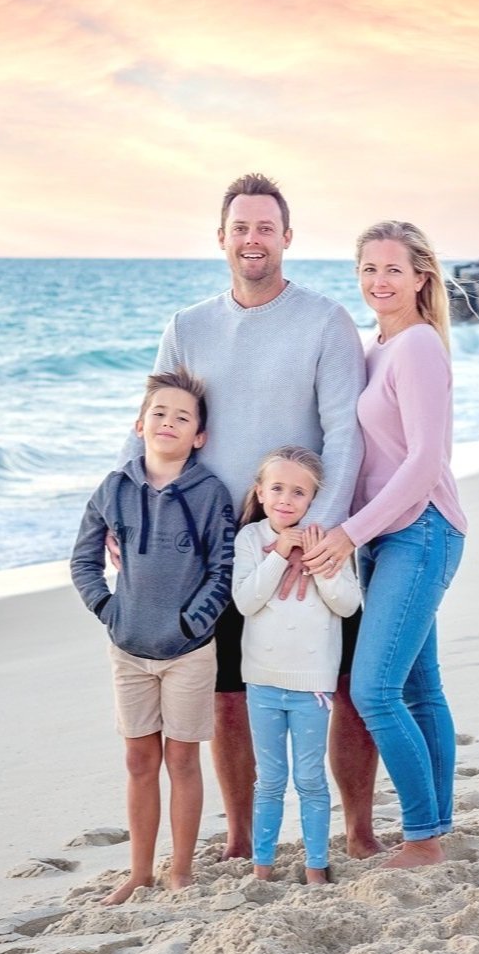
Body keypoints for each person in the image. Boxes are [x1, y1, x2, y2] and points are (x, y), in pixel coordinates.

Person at [114, 173, 380, 861]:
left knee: (342, 688)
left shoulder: (324, 321)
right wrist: (123, 506)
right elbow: (150, 423)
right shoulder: (188, 327)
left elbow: (343, 434)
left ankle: (357, 830)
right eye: (241, 227)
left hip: (310, 537)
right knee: (229, 695)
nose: (252, 239)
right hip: (212, 545)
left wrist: (312, 534)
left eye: (265, 227)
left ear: (286, 238)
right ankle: (239, 840)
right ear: (221, 238)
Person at [304, 221, 467, 870]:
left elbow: (425, 461)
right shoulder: (377, 349)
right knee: (420, 688)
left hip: (420, 531)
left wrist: (349, 533)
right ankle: (436, 829)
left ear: (420, 277)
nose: (378, 282)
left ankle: (422, 838)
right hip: (384, 536)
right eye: (367, 270)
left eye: (392, 270)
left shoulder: (420, 346)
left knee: (374, 691)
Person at [71, 367, 235, 902]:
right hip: (129, 650)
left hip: (189, 652)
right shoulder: (115, 489)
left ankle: (181, 870)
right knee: (139, 761)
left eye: (182, 417)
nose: (169, 422)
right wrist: (108, 610)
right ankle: (139, 872)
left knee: (183, 760)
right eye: (159, 413)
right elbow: (83, 560)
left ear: (199, 436)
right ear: (139, 424)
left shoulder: (211, 494)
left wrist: (194, 621)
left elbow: (222, 570)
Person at [232, 447, 361, 885]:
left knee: (310, 779)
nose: (287, 499)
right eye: (278, 488)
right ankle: (263, 868)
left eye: (299, 492)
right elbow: (246, 601)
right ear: (261, 492)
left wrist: (317, 562)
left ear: (313, 500)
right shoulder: (250, 539)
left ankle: (316, 868)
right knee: (269, 781)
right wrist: (277, 553)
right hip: (262, 682)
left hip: (313, 686)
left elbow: (347, 604)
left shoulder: (329, 540)